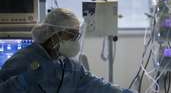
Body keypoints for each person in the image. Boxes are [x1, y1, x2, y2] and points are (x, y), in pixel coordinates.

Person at [0, 8, 135, 93]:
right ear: (54, 33)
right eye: (71, 35)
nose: (75, 40)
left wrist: (121, 91)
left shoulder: (69, 66)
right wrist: (23, 81)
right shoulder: (22, 61)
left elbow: (94, 85)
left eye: (77, 35)